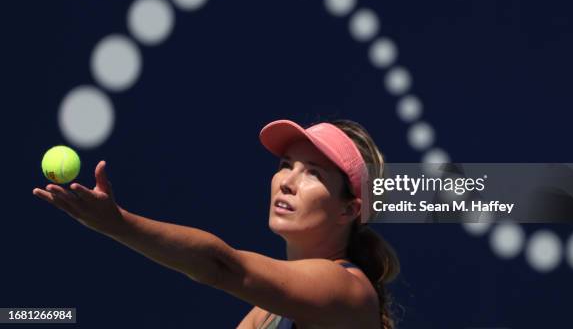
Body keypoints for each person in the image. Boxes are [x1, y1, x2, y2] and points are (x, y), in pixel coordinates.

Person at [33, 119, 401, 328]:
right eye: (286, 165)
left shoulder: (347, 288)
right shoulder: (264, 315)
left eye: (313, 174)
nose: (287, 181)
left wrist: (118, 223)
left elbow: (221, 265)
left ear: (349, 210)